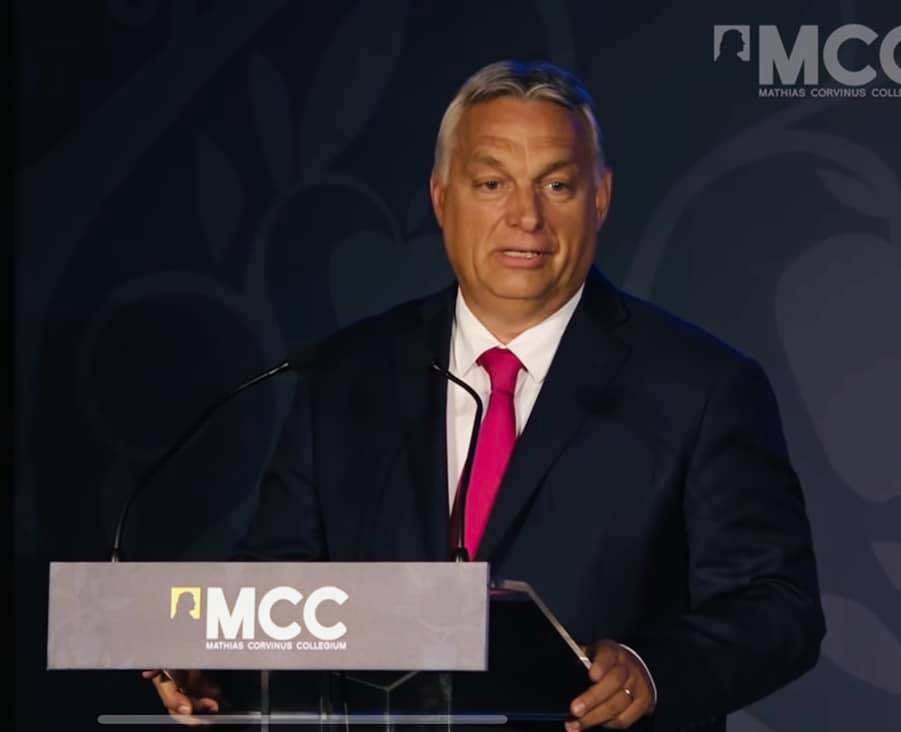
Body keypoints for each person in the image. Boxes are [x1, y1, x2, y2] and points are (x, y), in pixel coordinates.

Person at [147, 59, 826, 730]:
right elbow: (278, 584)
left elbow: (777, 604)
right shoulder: (349, 372)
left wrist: (653, 668)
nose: (525, 217)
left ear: (600, 198)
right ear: (443, 197)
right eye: (492, 183)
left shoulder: (703, 385)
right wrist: (215, 663)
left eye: (556, 185)